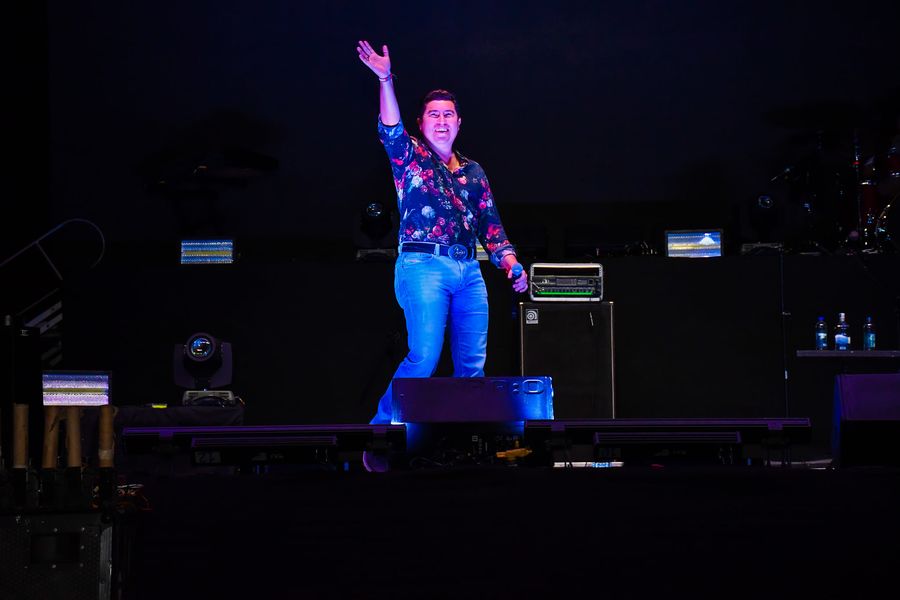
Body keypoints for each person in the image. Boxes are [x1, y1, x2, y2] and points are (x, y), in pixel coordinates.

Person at [357, 40, 528, 426]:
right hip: (423, 265)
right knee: (424, 357)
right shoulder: (411, 158)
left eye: (448, 114)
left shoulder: (474, 171)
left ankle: (466, 439)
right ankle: (379, 432)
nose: (441, 120)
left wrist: (512, 264)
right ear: (421, 123)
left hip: (469, 272)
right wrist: (385, 79)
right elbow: (391, 129)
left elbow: (492, 228)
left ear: (459, 123)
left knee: (472, 365)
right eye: (433, 114)